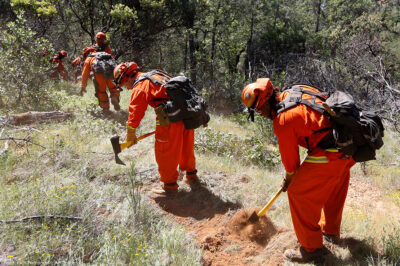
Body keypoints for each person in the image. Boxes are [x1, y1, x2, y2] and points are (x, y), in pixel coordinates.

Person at [241, 79, 356, 263]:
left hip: (331, 152)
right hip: (348, 146)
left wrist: (289, 179)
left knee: (298, 191)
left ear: (266, 101)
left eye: (259, 109)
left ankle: (312, 249)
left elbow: (291, 166)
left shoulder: (282, 119)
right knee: (334, 183)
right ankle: (331, 232)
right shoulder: (296, 91)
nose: (260, 114)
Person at [113, 62, 200, 195]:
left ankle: (169, 186)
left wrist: (130, 134)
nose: (127, 87)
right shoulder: (157, 74)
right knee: (185, 147)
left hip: (169, 119)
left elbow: (136, 111)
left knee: (165, 151)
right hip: (187, 114)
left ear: (128, 77)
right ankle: (191, 177)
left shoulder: (141, 85)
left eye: (125, 84)